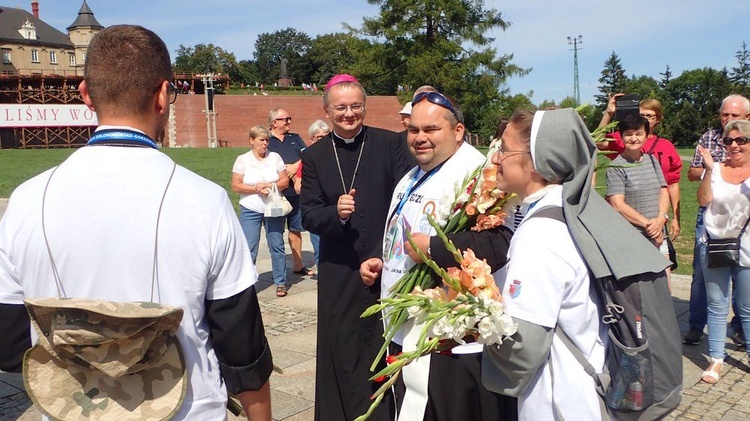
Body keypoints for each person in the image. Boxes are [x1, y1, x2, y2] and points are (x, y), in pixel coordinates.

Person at [0, 25, 272, 420]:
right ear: (163, 95)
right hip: (186, 409)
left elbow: (10, 347)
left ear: (86, 94)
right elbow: (242, 345)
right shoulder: (206, 200)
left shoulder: (26, 200)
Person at [481, 108, 668, 420]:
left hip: (558, 401)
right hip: (589, 386)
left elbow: (524, 348)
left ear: (538, 160)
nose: (496, 158)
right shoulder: (573, 211)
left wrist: (475, 332)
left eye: (504, 148)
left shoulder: (538, 234)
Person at [359, 91, 517, 420]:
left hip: (450, 339)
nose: (419, 138)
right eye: (413, 130)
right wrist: (384, 260)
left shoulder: (477, 175)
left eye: (431, 130)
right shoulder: (413, 173)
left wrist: (432, 248)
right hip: (405, 327)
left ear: (458, 131)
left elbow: (499, 244)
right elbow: (404, 228)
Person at [300, 74, 413, 421]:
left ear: (364, 107)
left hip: (387, 264)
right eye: (341, 108)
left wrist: (383, 254)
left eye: (355, 106)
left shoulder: (390, 144)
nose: (349, 114)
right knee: (344, 348)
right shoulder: (315, 155)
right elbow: (309, 215)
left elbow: (406, 201)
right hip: (341, 268)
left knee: (388, 344)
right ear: (327, 110)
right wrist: (335, 214)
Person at [684, 94, 750, 346]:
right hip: (712, 214)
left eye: (734, 115)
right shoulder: (709, 137)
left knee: (742, 277)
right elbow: (691, 173)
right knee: (703, 275)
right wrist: (719, 169)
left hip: (743, 220)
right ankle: (696, 324)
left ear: (747, 117)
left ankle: (740, 326)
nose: (728, 119)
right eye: (725, 114)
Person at [696, 119, 750, 384]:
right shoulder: (715, 169)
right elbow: (704, 201)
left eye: (741, 140)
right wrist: (708, 171)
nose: (734, 146)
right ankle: (717, 359)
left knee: (747, 306)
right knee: (717, 305)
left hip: (748, 248)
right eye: (729, 141)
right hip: (715, 244)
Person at [598, 96, 682, 242]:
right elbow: (598, 140)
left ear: (658, 119)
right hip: (633, 221)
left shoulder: (665, 146)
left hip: (658, 218)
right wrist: (609, 113)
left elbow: (671, 184)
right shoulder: (624, 139)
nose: (634, 138)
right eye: (642, 115)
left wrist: (673, 217)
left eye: (650, 116)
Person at [606, 115, 671, 285]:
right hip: (634, 237)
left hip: (658, 235)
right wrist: (650, 226)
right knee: (641, 290)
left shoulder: (652, 160)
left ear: (646, 135)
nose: (634, 138)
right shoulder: (616, 166)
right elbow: (617, 204)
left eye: (638, 133)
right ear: (621, 136)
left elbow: (664, 190)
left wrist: (661, 218)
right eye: (628, 134)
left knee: (664, 287)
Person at [232, 125, 290, 297]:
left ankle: (280, 282)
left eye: (267, 140)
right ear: (251, 140)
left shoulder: (275, 157)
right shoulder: (242, 159)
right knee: (249, 247)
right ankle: (247, 284)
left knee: (277, 245)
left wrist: (271, 186)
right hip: (251, 208)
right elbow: (236, 185)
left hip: (273, 207)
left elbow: (285, 181)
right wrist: (256, 188)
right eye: (261, 140)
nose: (265, 144)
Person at [267, 108, 315, 277]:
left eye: (289, 118)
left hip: (295, 193)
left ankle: (298, 264)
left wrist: (295, 166)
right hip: (276, 194)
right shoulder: (268, 140)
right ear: (274, 122)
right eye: (285, 119)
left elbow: (308, 155)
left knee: (296, 229)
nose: (289, 121)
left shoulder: (294, 138)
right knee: (276, 232)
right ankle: (278, 273)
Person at [293, 120, 331, 270]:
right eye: (318, 137)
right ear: (311, 139)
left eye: (325, 136)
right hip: (318, 208)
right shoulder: (308, 158)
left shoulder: (337, 155)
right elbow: (297, 187)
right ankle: (323, 276)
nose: (322, 140)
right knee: (319, 246)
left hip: (337, 208)